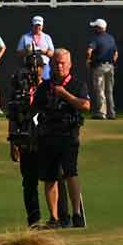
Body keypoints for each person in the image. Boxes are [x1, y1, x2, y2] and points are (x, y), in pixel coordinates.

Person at [33, 48, 90, 228]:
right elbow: (34, 110)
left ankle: (76, 214)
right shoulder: (44, 87)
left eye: (63, 63)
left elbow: (86, 106)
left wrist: (65, 94)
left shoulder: (77, 84)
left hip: (68, 135)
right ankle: (54, 218)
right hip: (47, 135)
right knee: (49, 177)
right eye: (56, 63)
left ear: (70, 65)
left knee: (70, 173)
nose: (59, 66)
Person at [4, 64, 42, 225]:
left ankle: (59, 217)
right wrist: (13, 144)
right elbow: (13, 118)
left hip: (46, 141)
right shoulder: (19, 94)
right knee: (29, 183)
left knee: (54, 180)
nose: (35, 72)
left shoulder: (48, 88)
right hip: (26, 142)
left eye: (39, 67)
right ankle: (34, 220)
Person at [84, 18, 117, 120]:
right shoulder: (111, 38)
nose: (94, 29)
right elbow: (116, 53)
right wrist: (112, 62)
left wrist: (88, 60)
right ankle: (111, 113)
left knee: (100, 90)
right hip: (110, 66)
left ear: (99, 28)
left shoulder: (96, 39)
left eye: (95, 27)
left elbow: (89, 50)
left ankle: (101, 113)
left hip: (99, 67)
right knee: (109, 91)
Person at [14, 15, 54, 80]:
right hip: (29, 66)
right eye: (36, 25)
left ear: (42, 26)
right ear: (32, 25)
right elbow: (19, 52)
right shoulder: (25, 37)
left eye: (39, 25)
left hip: (44, 66)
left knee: (46, 85)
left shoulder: (47, 37)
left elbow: (52, 53)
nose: (38, 27)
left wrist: (45, 52)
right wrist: (27, 51)